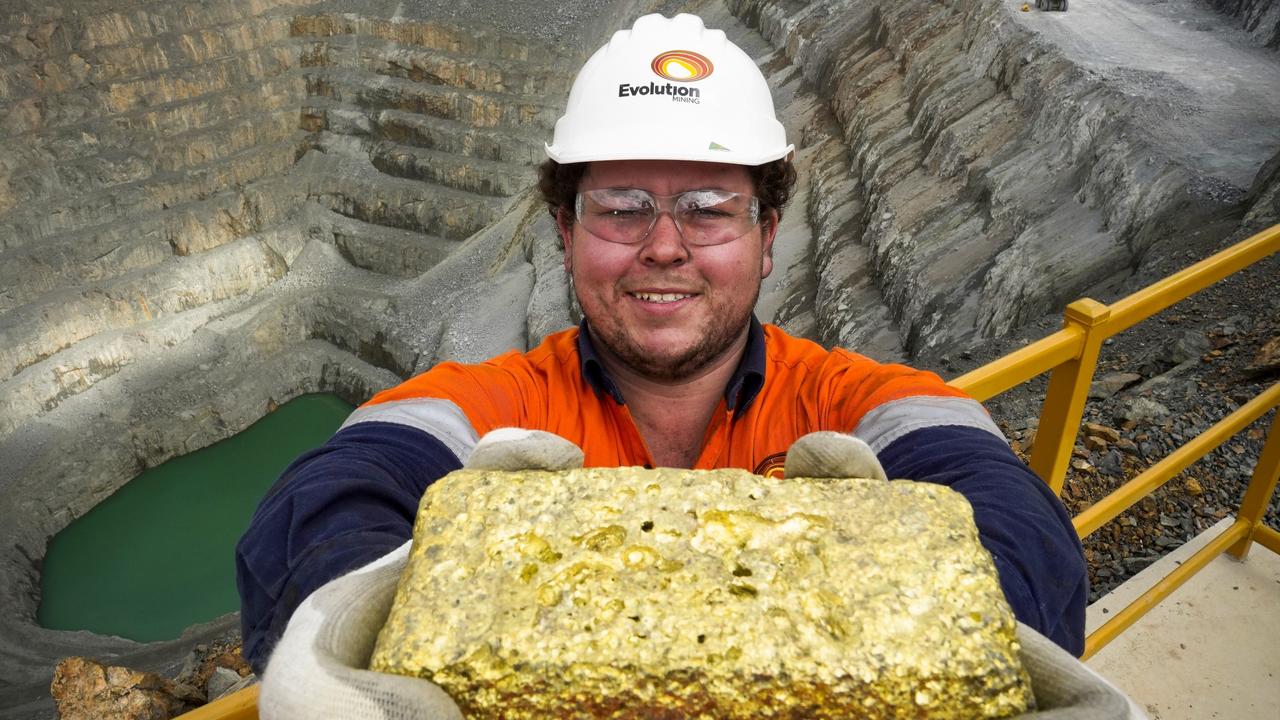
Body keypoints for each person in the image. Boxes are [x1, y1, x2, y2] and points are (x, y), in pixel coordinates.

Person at [236, 11, 1087, 684]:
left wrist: (953, 639)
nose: (665, 246)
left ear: (767, 235)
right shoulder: (498, 405)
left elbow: (1016, 521)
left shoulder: (852, 403)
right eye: (623, 206)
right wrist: (363, 618)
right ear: (566, 231)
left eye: (710, 206)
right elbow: (329, 499)